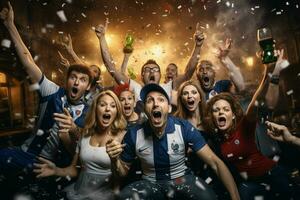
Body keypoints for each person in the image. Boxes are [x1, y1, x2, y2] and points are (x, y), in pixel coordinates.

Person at [0, 2, 92, 178]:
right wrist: (10, 25)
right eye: (73, 77)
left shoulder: (89, 112)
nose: (76, 82)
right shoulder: (52, 91)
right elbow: (28, 61)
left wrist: (73, 130)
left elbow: (79, 153)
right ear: (67, 80)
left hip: (55, 168)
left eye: (82, 80)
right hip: (26, 155)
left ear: (88, 86)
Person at [106, 84, 240, 200]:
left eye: (161, 100)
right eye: (149, 100)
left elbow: (215, 163)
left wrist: (235, 197)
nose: (156, 104)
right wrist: (114, 160)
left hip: (182, 179)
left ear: (169, 108)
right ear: (145, 109)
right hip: (149, 183)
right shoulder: (134, 134)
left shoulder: (184, 128)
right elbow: (122, 172)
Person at [34, 90, 127, 200]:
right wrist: (56, 170)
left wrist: (115, 161)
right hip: (78, 193)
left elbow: (123, 176)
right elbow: (74, 170)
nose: (107, 109)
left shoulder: (123, 136)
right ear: (95, 110)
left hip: (104, 196)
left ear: (116, 111)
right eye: (102, 105)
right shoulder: (85, 133)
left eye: (113, 106)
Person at [205, 88, 292, 199]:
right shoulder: (216, 140)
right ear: (213, 117)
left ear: (233, 115)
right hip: (251, 183)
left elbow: (255, 104)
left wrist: (267, 76)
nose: (221, 112)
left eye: (226, 109)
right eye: (216, 110)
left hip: (272, 174)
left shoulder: (243, 126)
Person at [95, 19, 205, 103]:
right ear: (142, 76)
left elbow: (187, 73)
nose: (152, 72)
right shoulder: (135, 87)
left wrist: (198, 46)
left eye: (155, 69)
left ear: (160, 75)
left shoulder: (169, 87)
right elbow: (112, 69)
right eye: (147, 70)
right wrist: (102, 39)